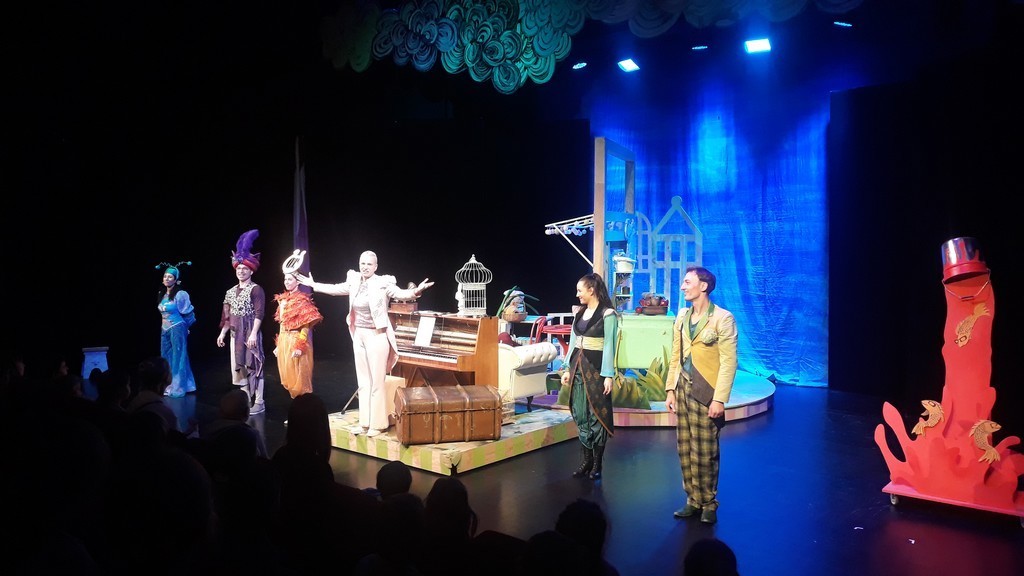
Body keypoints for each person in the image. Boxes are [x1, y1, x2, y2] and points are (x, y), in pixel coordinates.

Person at [296, 250, 434, 437]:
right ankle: (365, 422)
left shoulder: (383, 283)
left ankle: (378, 424)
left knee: (377, 381)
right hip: (359, 334)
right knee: (363, 381)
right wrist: (314, 285)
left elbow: (402, 293)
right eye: (362, 263)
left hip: (377, 335)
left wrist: (417, 291)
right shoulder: (354, 280)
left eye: (369, 264)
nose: (365, 267)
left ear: (376, 266)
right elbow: (336, 289)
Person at [665, 266, 738, 525]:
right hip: (683, 387)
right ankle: (692, 499)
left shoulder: (722, 318)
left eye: (688, 282)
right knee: (685, 446)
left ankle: (708, 502)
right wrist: (670, 389)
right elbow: (676, 355)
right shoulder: (682, 316)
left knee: (705, 450)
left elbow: (729, 362)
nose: (683, 287)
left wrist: (719, 398)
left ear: (703, 286)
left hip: (705, 390)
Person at [560, 272, 618, 480]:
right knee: (580, 413)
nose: (577, 295)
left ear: (591, 290)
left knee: (597, 414)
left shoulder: (607, 314)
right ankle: (587, 461)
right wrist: (566, 368)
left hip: (596, 369)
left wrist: (608, 375)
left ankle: (597, 463)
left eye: (580, 290)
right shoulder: (579, 313)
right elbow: (573, 343)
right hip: (578, 368)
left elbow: (610, 345)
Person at [216, 229, 267, 415]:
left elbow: (260, 313)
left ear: (251, 270)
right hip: (235, 334)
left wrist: (253, 334)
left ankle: (259, 401)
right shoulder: (230, 291)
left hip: (249, 332)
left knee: (255, 365)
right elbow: (226, 316)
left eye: (245, 268)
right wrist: (222, 333)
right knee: (240, 368)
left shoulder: (256, 289)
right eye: (239, 269)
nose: (241, 271)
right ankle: (246, 400)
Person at [273, 270, 324, 398]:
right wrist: (279, 344)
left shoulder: (302, 300)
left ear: (297, 282)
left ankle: (304, 404)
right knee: (288, 375)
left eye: (290, 279)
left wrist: (300, 346)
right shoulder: (282, 300)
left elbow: (306, 326)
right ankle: (296, 404)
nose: (286, 282)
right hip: (284, 339)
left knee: (300, 378)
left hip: (296, 339)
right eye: (285, 279)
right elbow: (282, 323)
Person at [156, 260, 197, 398]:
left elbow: (188, 313)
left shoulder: (180, 294)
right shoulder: (162, 294)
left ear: (176, 280)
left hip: (177, 328)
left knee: (178, 357)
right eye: (165, 276)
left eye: (170, 277)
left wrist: (186, 327)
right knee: (166, 356)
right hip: (164, 329)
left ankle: (178, 386)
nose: (167, 279)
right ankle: (173, 384)